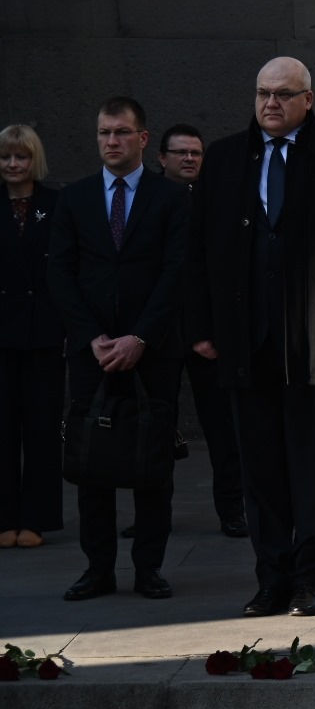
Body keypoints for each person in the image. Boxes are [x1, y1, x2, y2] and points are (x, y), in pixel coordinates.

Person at [189, 57, 315, 618]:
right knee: (260, 467)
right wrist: (202, 328)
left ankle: (306, 578)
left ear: (308, 99)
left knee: (310, 465)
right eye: (262, 94)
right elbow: (197, 252)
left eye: (282, 94)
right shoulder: (224, 159)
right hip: (244, 341)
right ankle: (270, 576)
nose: (270, 104)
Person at [49, 98, 189, 599]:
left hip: (153, 351)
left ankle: (148, 567)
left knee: (153, 462)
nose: (112, 141)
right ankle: (98, 569)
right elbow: (60, 273)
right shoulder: (76, 198)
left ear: (143, 139)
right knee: (92, 464)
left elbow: (177, 273)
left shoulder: (171, 198)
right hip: (92, 352)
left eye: (123, 133)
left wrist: (140, 337)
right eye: (105, 133)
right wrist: (92, 337)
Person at [153, 124, 247, 538]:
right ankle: (151, 513)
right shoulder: (145, 199)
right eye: (180, 153)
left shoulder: (218, 198)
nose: (189, 159)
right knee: (155, 428)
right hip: (157, 333)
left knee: (223, 429)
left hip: (209, 334)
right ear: (161, 158)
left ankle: (232, 510)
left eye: (196, 153)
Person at [1, 125, 64, 551]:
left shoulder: (55, 203)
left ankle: (37, 518)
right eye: (5, 156)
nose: (11, 164)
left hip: (43, 331)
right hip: (1, 332)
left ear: (33, 160)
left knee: (41, 429)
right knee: (2, 429)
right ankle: (4, 517)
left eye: (20, 157)